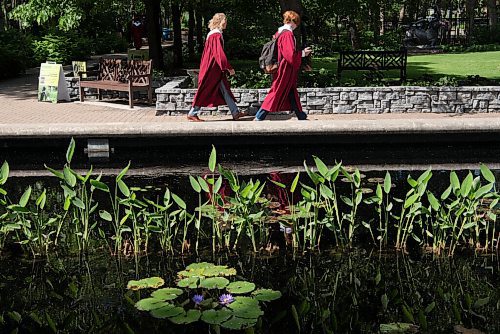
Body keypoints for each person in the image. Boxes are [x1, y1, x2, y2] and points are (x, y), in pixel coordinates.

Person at [187, 13, 246, 122]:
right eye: (225, 20)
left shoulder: (214, 34)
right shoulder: (216, 35)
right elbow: (219, 53)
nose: (226, 23)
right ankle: (192, 113)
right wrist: (228, 67)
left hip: (214, 68)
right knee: (205, 89)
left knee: (225, 90)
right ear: (221, 21)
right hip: (212, 69)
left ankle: (235, 112)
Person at [254, 10, 312, 121]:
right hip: (285, 69)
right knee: (277, 90)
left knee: (291, 91)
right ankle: (259, 116)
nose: (296, 25)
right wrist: (303, 53)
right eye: (296, 22)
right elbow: (289, 54)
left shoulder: (280, 33)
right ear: (293, 21)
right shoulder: (287, 34)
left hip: (284, 68)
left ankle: (301, 115)